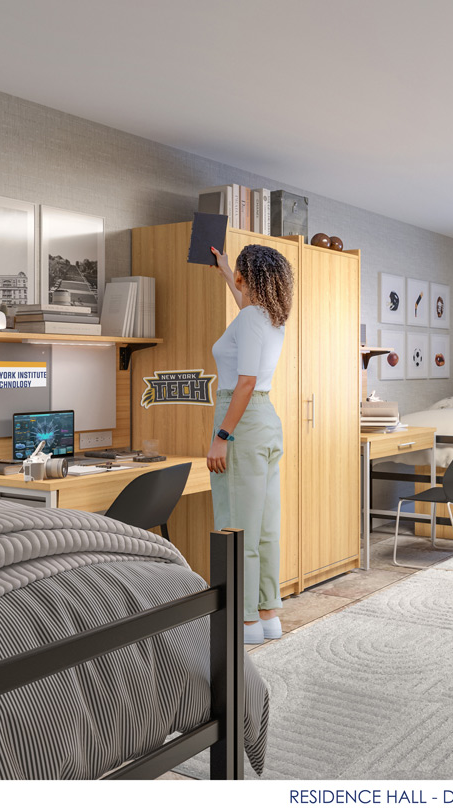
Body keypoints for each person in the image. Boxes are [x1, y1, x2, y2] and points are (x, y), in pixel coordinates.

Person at [207, 244, 294, 646]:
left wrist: (222, 436)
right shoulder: (270, 318)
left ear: (249, 278)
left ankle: (243, 623)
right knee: (263, 526)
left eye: (238, 273)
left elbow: (243, 383)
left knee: (236, 523)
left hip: (240, 419)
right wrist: (225, 269)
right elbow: (245, 305)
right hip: (266, 421)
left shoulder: (248, 320)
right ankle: (266, 614)